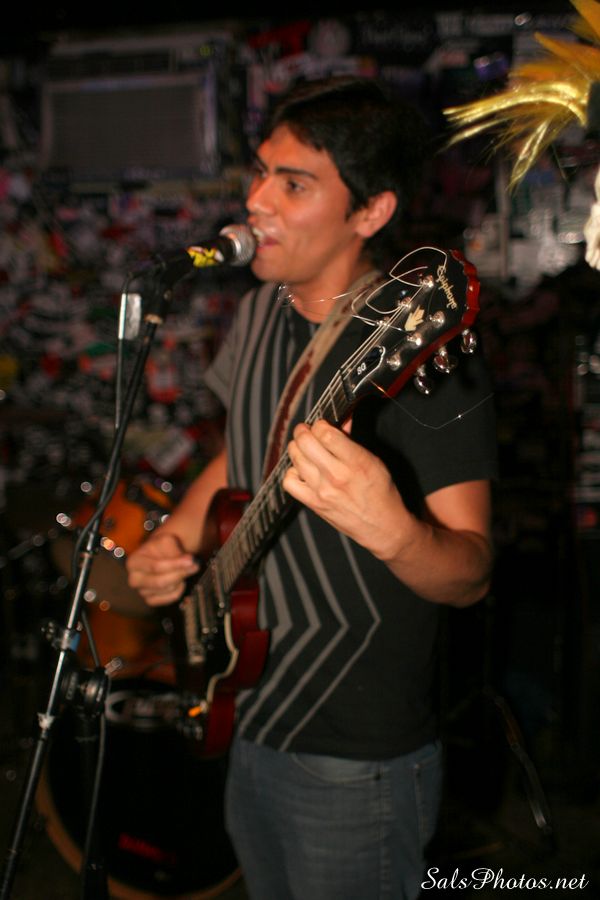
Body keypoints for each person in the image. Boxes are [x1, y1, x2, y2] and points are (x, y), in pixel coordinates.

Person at [126, 75, 498, 900]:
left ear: (371, 212)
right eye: (261, 172)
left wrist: (395, 531)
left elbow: (471, 573)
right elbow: (240, 457)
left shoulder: (425, 351)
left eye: (293, 184)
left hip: (354, 754)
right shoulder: (260, 310)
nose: (256, 201)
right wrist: (175, 539)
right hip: (245, 706)